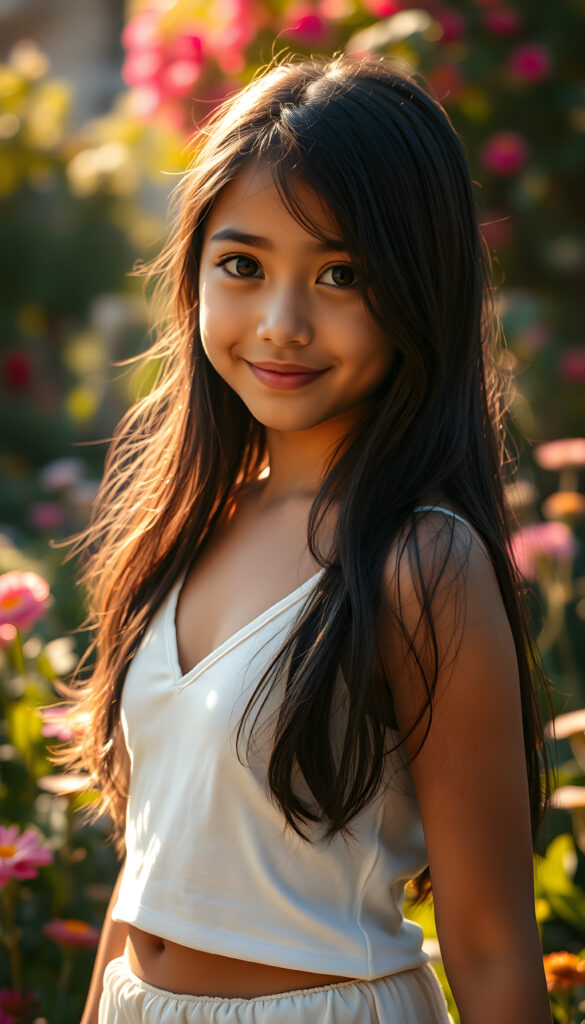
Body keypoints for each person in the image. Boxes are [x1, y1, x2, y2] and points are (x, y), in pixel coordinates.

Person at [59, 52, 554, 1023]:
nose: (282, 323)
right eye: (242, 265)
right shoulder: (189, 524)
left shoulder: (422, 565)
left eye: (341, 274)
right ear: (195, 271)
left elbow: (493, 950)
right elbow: (144, 874)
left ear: (420, 290)